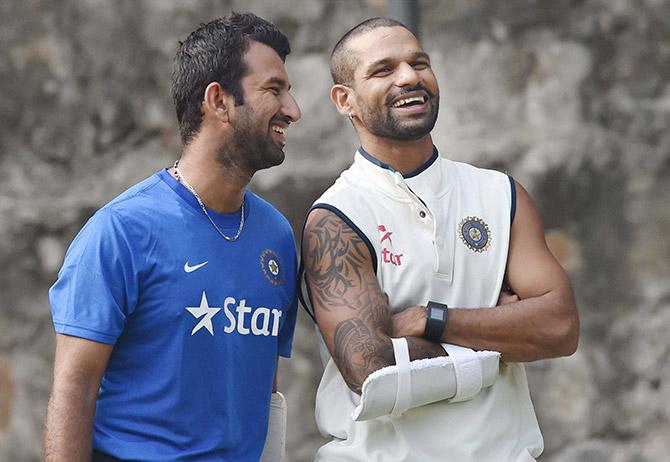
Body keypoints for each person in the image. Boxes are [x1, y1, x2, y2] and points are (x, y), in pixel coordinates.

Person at [300, 17, 579, 461]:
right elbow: (371, 369)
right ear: (344, 100)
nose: (410, 76)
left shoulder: (500, 193)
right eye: (383, 69)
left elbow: (560, 328)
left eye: (419, 63)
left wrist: (429, 319)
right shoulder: (336, 217)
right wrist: (500, 335)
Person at [45, 13, 301, 462]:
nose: (293, 110)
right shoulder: (121, 231)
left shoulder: (276, 235)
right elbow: (74, 392)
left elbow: (265, 390)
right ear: (218, 101)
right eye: (274, 89)